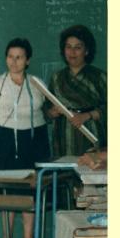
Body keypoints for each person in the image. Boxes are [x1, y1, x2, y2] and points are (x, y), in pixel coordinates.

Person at [0, 38, 50, 238]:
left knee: (31, 190)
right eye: (10, 56)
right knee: (7, 190)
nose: (14, 61)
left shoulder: (37, 84)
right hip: (4, 141)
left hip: (34, 140)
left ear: (27, 60)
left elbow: (48, 112)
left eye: (19, 57)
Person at [46, 25, 107, 157]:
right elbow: (46, 110)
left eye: (78, 47)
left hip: (91, 134)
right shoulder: (56, 78)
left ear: (86, 51)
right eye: (68, 47)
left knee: (91, 168)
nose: (72, 52)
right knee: (65, 167)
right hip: (63, 137)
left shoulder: (100, 77)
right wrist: (52, 112)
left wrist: (87, 115)